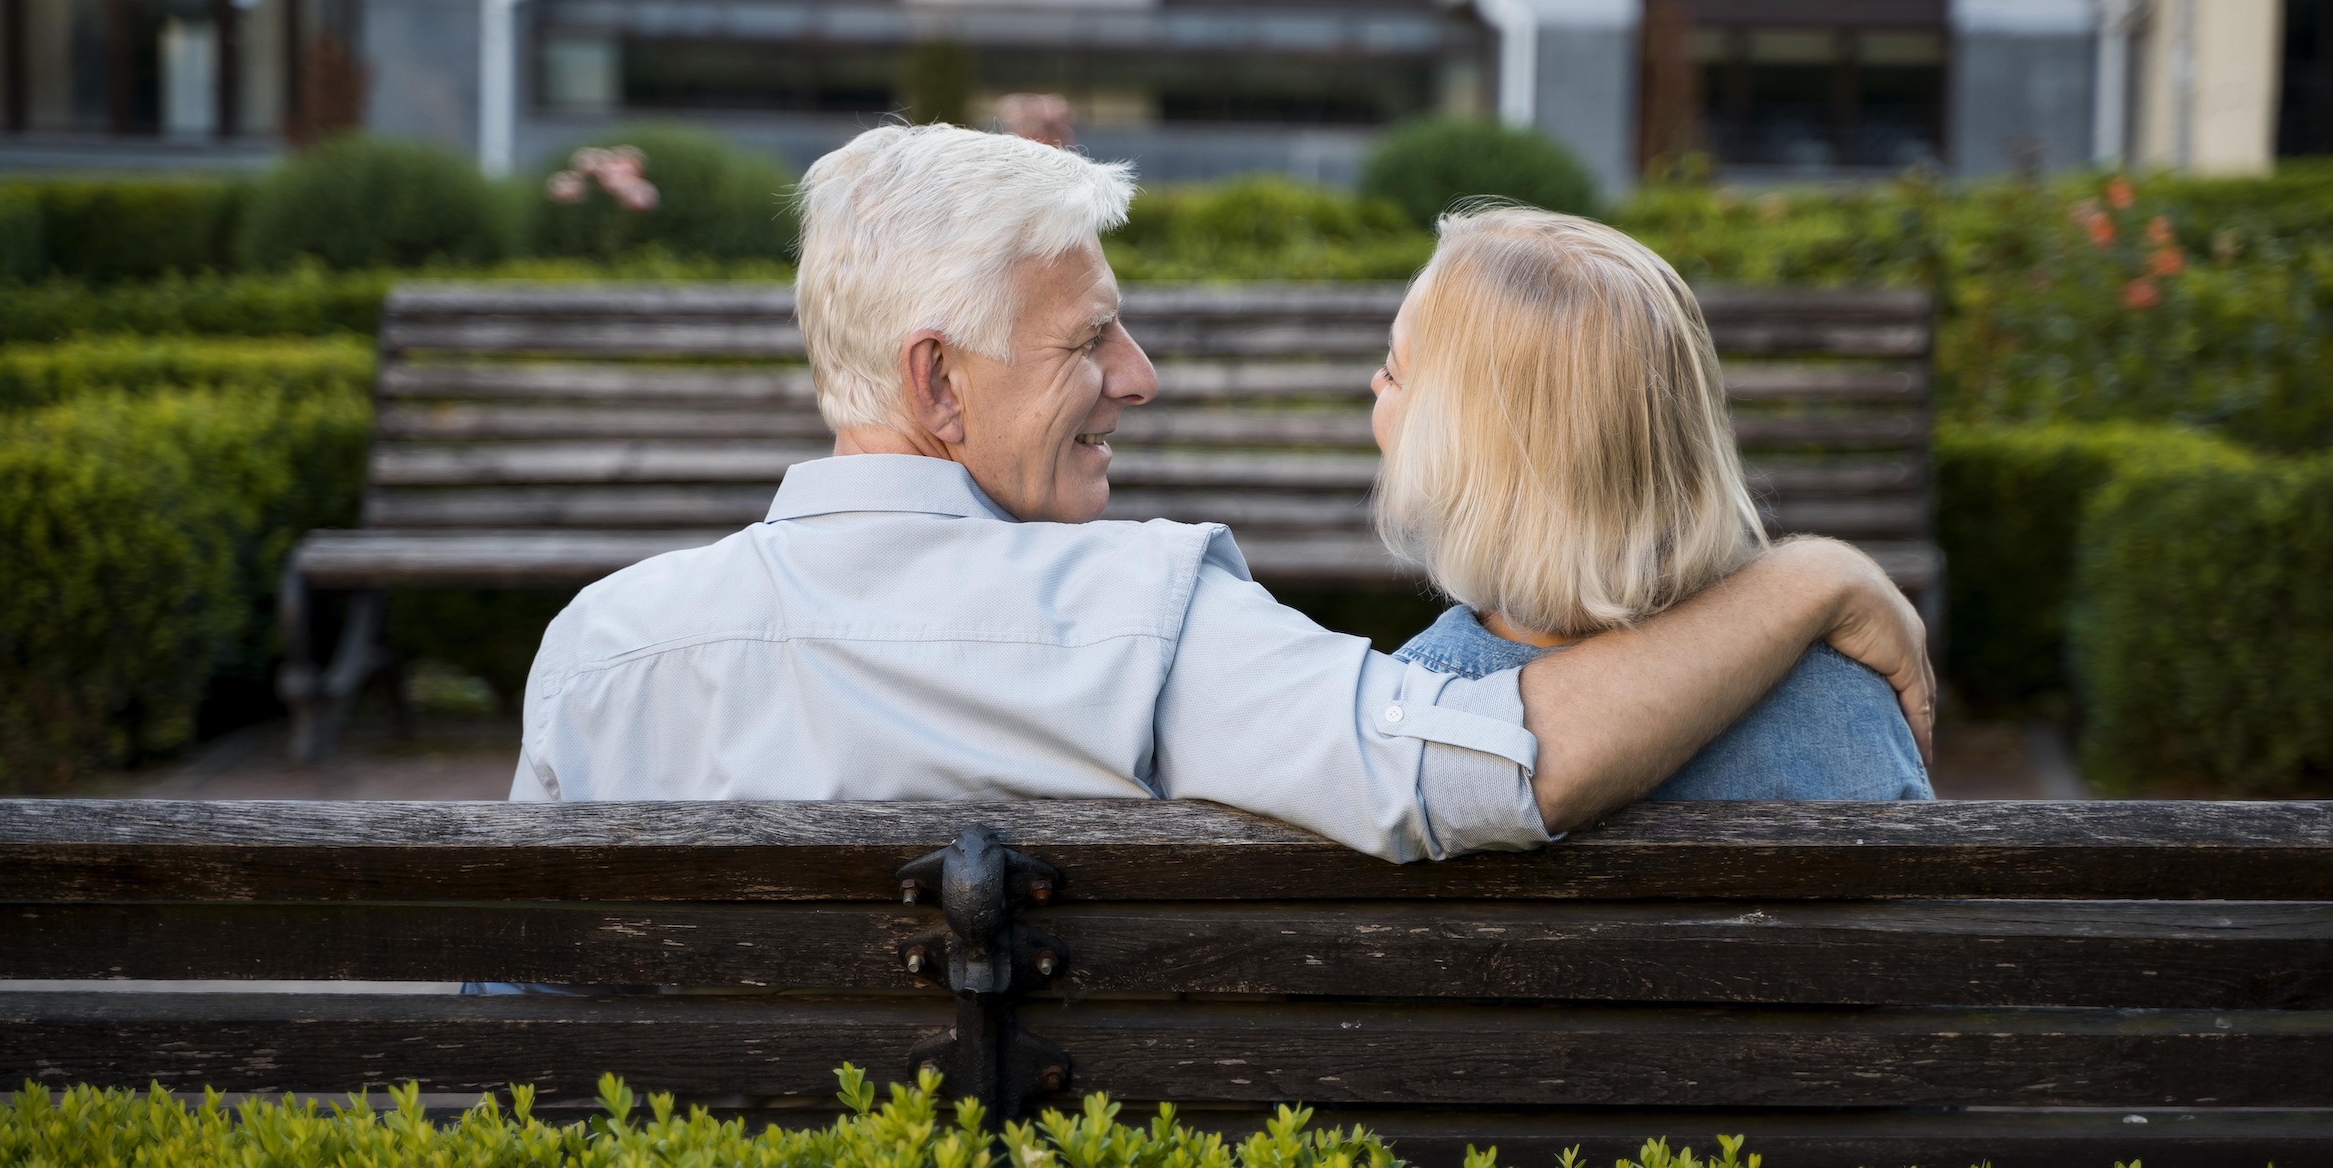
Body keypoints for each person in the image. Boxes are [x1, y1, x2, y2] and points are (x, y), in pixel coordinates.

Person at [509, 124, 1933, 860]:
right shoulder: (1152, 624)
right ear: (938, 385)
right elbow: (1495, 762)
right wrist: (1811, 576)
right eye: (1089, 340)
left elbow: (516, 1026)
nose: (1139, 376)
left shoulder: (597, 651)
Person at [1378, 207, 1932, 800]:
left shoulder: (1416, 714)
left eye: (1394, 372)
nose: (1375, 383)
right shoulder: (1845, 697)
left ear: (1457, 456)